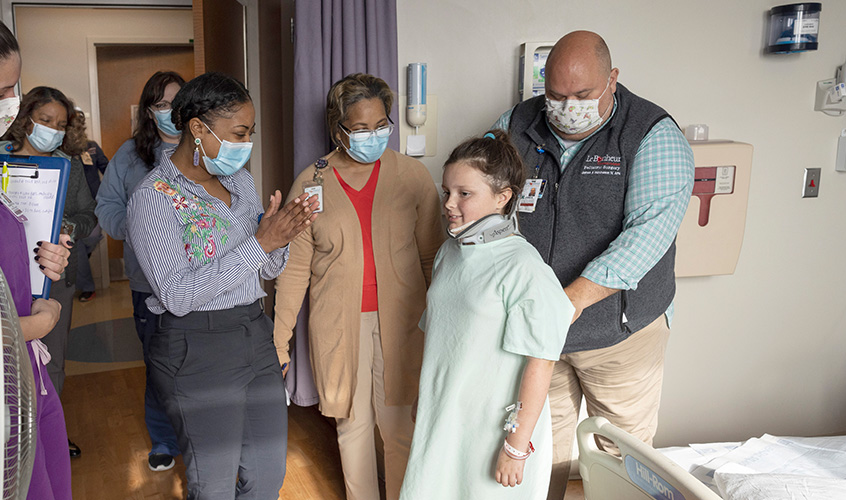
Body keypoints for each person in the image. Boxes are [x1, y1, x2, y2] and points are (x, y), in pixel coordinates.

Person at [492, 30, 695, 498]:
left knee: (620, 462)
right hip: (541, 332)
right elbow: (483, 199)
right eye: (556, 95)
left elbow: (646, 237)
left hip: (620, 334)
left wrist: (567, 302)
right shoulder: (515, 125)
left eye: (582, 95)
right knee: (541, 451)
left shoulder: (651, 134)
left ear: (612, 80)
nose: (567, 106)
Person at [126, 71, 318, 498]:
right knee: (212, 484)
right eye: (238, 133)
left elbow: (264, 270)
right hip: (196, 348)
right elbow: (176, 295)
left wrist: (280, 236)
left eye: (249, 133)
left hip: (254, 333)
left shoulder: (240, 181)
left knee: (267, 476)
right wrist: (260, 242)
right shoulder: (153, 197)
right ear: (198, 128)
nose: (245, 144)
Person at [273, 72, 443, 500]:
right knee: (352, 428)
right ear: (338, 130)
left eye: (381, 126)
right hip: (338, 325)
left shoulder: (412, 177)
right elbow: (294, 271)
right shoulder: (311, 183)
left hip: (404, 322)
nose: (374, 135)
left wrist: (444, 328)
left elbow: (433, 259)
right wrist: (278, 343)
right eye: (361, 128)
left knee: (400, 426)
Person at [399, 131, 574, 500]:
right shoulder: (451, 252)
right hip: (446, 414)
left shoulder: (523, 267)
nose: (449, 203)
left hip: (494, 429)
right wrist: (425, 396)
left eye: (465, 193)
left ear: (503, 196)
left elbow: (540, 363)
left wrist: (516, 446)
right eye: (447, 191)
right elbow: (442, 337)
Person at [95, 70, 185, 471]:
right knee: (159, 365)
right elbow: (106, 208)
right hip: (147, 282)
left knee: (201, 365)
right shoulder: (130, 156)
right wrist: (141, 227)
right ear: (150, 111)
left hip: (203, 281)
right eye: (162, 104)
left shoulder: (204, 149)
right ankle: (164, 440)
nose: (170, 112)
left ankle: (201, 439)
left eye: (177, 103)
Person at [1, 85, 96, 459]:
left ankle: (48, 433)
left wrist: (67, 226)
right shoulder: (2, 159)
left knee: (51, 362)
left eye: (60, 124)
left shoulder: (68, 165)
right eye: (45, 121)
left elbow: (90, 216)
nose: (52, 130)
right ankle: (15, 441)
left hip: (54, 279)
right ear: (24, 120)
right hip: (7, 278)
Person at [0, 20, 74, 500]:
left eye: (12, 88)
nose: (9, 102)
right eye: (2, 89)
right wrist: (36, 323)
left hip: (28, 376)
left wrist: (42, 266)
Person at [75, 109, 109, 303]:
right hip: (73, 206)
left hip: (95, 203)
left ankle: (79, 267)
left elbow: (106, 168)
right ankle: (88, 288)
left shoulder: (92, 147)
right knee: (77, 246)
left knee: (93, 237)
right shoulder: (64, 150)